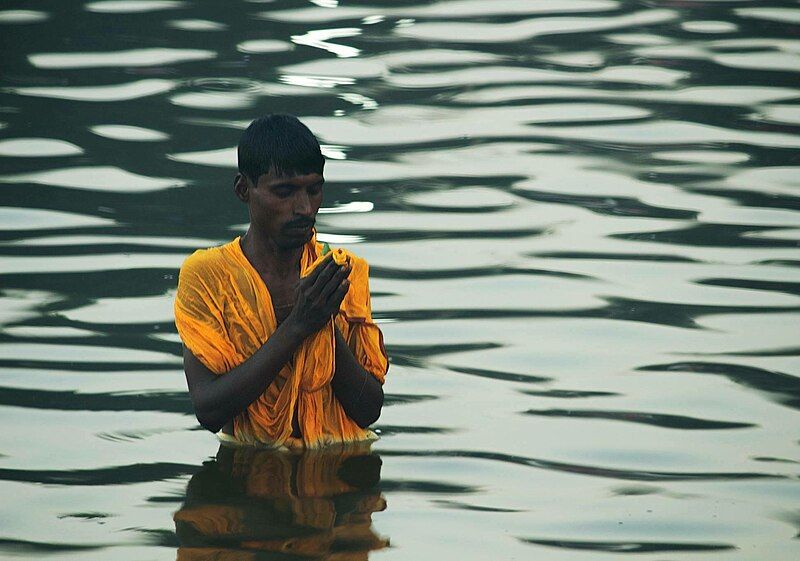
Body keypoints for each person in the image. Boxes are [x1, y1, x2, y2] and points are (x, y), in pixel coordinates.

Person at [174, 114, 388, 450]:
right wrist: (299, 325)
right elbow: (209, 409)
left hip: (340, 469)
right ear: (244, 190)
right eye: (284, 192)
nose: (304, 208)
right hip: (248, 467)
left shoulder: (341, 271)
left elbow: (369, 409)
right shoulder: (207, 275)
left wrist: (326, 322)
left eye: (314, 190)